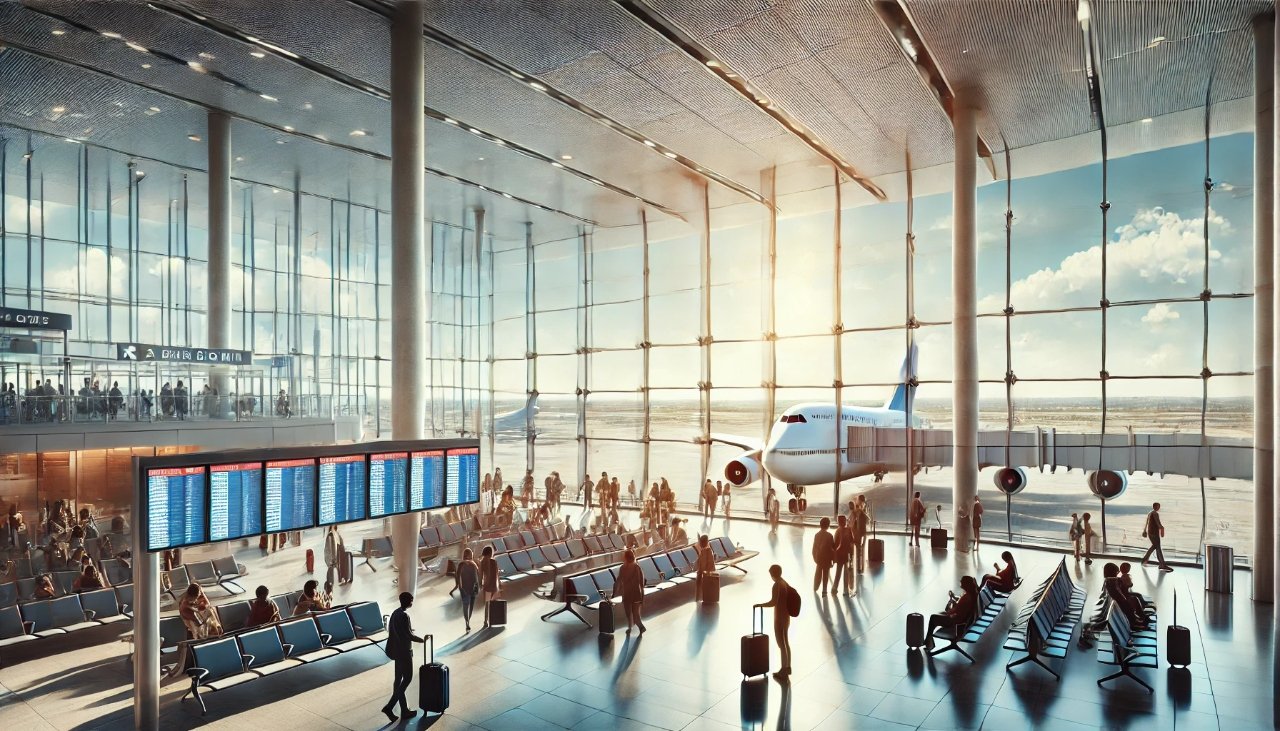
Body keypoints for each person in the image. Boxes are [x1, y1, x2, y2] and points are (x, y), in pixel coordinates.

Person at [381, 591, 426, 722]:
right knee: (407, 679)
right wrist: (421, 639)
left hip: (396, 651)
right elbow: (408, 635)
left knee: (398, 680)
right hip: (404, 652)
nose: (412, 602)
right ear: (408, 601)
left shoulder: (396, 613)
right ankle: (390, 707)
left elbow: (401, 631)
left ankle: (403, 710)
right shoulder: (404, 616)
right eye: (411, 600)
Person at [753, 564, 793, 679]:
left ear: (772, 574)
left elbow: (773, 602)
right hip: (786, 616)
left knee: (781, 644)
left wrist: (760, 605)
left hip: (779, 617)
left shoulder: (776, 585)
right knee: (786, 642)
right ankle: (788, 666)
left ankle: (783, 669)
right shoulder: (784, 582)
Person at [926, 576, 979, 649]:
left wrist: (948, 608)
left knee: (933, 617)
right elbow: (960, 605)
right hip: (961, 620)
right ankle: (929, 640)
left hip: (956, 622)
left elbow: (954, 610)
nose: (960, 582)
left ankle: (928, 640)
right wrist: (954, 597)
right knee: (939, 615)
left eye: (962, 581)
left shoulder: (966, 597)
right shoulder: (971, 595)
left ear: (966, 584)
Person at [1103, 563, 1150, 630]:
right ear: (1112, 572)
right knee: (1129, 602)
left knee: (1134, 598)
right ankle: (1134, 622)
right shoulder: (1111, 580)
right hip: (1118, 602)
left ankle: (1138, 618)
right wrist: (1125, 599)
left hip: (1116, 601)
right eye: (1117, 572)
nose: (1117, 574)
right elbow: (1118, 594)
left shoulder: (1109, 580)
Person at [615, 549, 646, 634]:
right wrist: (642, 596)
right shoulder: (637, 567)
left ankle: (630, 627)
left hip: (627, 594)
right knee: (636, 613)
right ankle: (640, 626)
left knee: (628, 612)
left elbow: (618, 581)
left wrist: (614, 593)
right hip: (636, 593)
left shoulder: (622, 568)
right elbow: (641, 583)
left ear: (625, 558)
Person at [1140, 502, 1172, 572]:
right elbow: (1158, 523)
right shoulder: (1155, 513)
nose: (1158, 508)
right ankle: (1162, 564)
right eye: (1157, 506)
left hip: (1150, 532)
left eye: (1159, 506)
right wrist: (1162, 528)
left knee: (1154, 546)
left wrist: (1144, 530)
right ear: (1154, 506)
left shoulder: (1150, 513)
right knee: (1158, 548)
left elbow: (1147, 523)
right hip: (1154, 533)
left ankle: (1144, 560)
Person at [456, 547, 480, 631]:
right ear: (471, 555)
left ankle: (467, 622)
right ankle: (468, 621)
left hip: (464, 588)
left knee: (465, 606)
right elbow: (477, 576)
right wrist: (478, 586)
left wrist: (458, 586)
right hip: (473, 587)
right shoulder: (474, 564)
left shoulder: (461, 564)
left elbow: (457, 576)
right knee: (471, 607)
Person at [811, 517, 835, 595]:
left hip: (819, 557)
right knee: (825, 575)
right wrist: (833, 560)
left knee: (818, 572)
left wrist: (815, 557)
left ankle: (815, 586)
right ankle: (824, 590)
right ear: (828, 525)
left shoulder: (816, 535)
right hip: (827, 558)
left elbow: (814, 547)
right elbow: (832, 549)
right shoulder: (830, 536)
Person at [831, 514, 854, 595]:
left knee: (838, 572)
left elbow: (834, 544)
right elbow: (851, 542)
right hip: (846, 554)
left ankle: (834, 587)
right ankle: (845, 589)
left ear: (838, 522)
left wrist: (833, 556)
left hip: (839, 554)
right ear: (844, 521)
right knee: (846, 572)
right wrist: (851, 554)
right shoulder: (848, 530)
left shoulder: (837, 531)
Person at [479, 545, 500, 628]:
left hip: (487, 585)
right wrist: (499, 585)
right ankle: (492, 621)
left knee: (487, 604)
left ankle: (485, 621)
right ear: (490, 553)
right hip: (494, 585)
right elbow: (497, 575)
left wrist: (480, 584)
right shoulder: (494, 562)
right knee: (493, 603)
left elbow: (480, 575)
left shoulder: (482, 562)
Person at [694, 534, 716, 601]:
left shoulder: (706, 551)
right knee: (699, 584)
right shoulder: (706, 550)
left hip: (705, 572)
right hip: (705, 571)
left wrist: (700, 571)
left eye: (700, 543)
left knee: (701, 584)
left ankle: (700, 597)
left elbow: (705, 564)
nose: (699, 544)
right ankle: (699, 597)